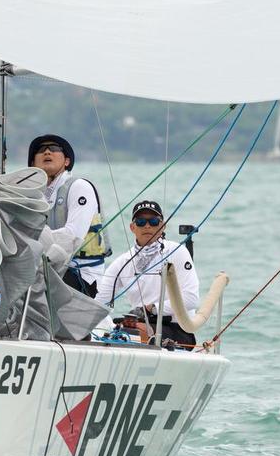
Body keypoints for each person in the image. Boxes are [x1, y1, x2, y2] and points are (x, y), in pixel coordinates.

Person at [95, 200, 199, 349]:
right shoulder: (122, 262)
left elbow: (192, 299)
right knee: (109, 330)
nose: (148, 226)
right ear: (132, 227)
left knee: (134, 332)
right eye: (141, 221)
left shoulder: (177, 252)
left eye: (154, 221)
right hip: (139, 328)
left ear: (162, 226)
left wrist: (151, 309)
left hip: (178, 330)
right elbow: (99, 303)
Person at [28, 134, 111, 297]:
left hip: (82, 277)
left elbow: (73, 237)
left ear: (66, 161)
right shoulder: (32, 196)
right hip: (48, 271)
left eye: (54, 149)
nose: (47, 152)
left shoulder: (79, 187)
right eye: (40, 150)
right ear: (32, 163)